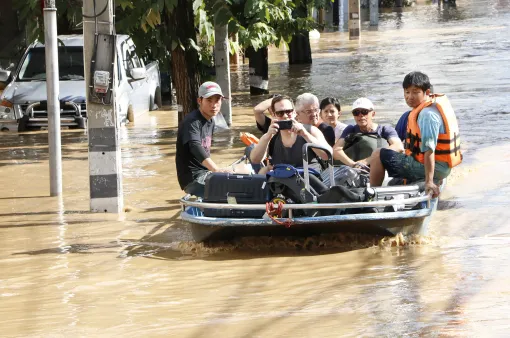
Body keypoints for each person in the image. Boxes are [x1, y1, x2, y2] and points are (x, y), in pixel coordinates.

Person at [369, 71, 462, 197]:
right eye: (407, 92)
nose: (410, 96)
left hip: (433, 167)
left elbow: (429, 150)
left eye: (415, 92)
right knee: (393, 173)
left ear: (427, 92)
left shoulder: (426, 115)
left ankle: (372, 196)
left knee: (377, 154)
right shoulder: (427, 108)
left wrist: (429, 182)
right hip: (441, 166)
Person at [176, 81, 233, 197]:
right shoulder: (192, 122)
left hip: (206, 173)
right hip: (193, 179)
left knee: (243, 173)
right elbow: (195, 146)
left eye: (217, 100)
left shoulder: (211, 120)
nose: (214, 105)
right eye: (209, 100)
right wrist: (216, 170)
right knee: (231, 192)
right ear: (199, 101)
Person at [249, 95, 332, 175]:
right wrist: (267, 137)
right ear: (274, 115)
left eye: (288, 112)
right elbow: (255, 160)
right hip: (282, 183)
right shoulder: (271, 135)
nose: (285, 116)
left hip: (309, 182)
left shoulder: (310, 130)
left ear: (295, 112)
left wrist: (305, 135)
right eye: (280, 113)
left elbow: (328, 155)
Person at [333, 97, 403, 168]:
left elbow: (398, 146)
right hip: (355, 171)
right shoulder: (351, 130)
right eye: (356, 112)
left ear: (373, 114)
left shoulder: (385, 130)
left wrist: (366, 161)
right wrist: (353, 164)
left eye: (364, 111)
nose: (360, 115)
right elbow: (336, 150)